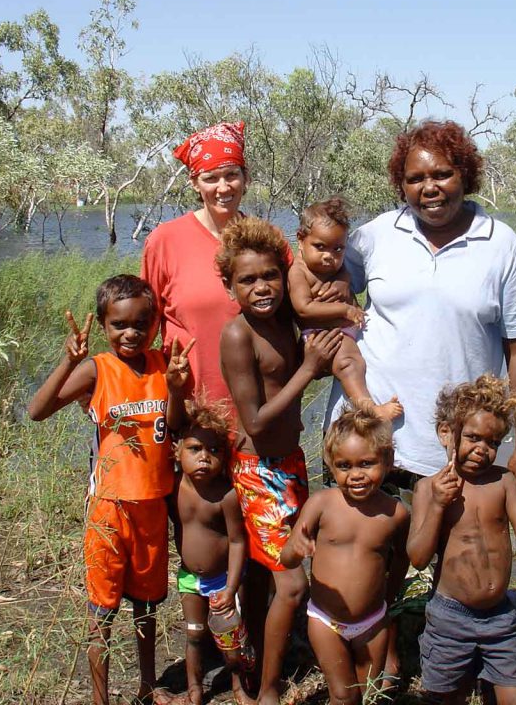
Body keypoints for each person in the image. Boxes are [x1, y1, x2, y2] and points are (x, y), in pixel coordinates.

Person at [325, 120, 516, 488]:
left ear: (465, 175)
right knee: (358, 545)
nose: (429, 188)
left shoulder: (500, 245)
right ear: (402, 184)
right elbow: (324, 282)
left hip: (453, 450)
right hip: (366, 443)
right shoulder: (377, 236)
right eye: (415, 178)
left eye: (443, 174)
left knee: (452, 545)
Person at [26, 275, 192, 705]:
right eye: (120, 325)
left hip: (153, 504)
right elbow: (38, 410)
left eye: (142, 323)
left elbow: (174, 426)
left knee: (148, 604)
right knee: (102, 610)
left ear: (156, 322)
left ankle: (148, 686)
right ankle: (100, 697)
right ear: (103, 325)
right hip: (110, 507)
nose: (131, 333)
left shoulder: (163, 364)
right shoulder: (97, 369)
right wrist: (67, 361)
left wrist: (175, 388)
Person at [216, 217, 344, 705]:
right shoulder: (237, 336)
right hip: (257, 471)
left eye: (269, 275)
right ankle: (267, 690)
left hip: (289, 464)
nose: (261, 287)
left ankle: (263, 667)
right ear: (229, 286)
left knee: (287, 574)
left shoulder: (285, 320)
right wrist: (309, 368)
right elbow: (256, 420)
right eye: (247, 280)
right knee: (291, 584)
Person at [406, 374, 516, 705]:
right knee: (447, 695)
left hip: (499, 616)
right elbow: (417, 558)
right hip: (449, 616)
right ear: (446, 432)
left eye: (494, 442)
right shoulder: (429, 488)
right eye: (472, 437)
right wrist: (440, 505)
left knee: (513, 697)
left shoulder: (503, 482)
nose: (483, 450)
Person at [141, 121, 290, 406]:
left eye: (231, 175)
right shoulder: (164, 241)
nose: (223, 187)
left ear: (245, 178)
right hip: (190, 409)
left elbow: (292, 313)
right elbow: (144, 330)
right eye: (211, 178)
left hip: (260, 410)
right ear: (195, 183)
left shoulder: (269, 240)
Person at [279, 408, 410, 705]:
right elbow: (286, 559)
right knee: (343, 693)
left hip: (373, 621)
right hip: (327, 621)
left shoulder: (395, 513)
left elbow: (401, 559)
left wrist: (387, 600)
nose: (356, 475)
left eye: (366, 463)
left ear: (387, 461)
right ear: (331, 465)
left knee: (367, 694)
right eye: (344, 466)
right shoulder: (320, 504)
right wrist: (295, 547)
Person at [287, 198, 404, 423]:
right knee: (349, 365)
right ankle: (369, 408)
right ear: (301, 239)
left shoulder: (332, 267)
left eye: (338, 249)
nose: (329, 256)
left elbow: (345, 275)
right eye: (320, 247)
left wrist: (344, 282)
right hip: (321, 337)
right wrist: (345, 309)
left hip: (341, 332)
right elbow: (304, 308)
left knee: (357, 363)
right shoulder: (298, 272)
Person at [170, 395, 253, 705]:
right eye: (195, 449)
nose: (204, 457)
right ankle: (195, 690)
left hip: (223, 580)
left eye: (214, 450)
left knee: (231, 640)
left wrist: (231, 587)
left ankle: (238, 686)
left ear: (226, 457)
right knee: (193, 634)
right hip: (189, 578)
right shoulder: (174, 488)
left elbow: (236, 541)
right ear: (177, 452)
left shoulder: (226, 496)